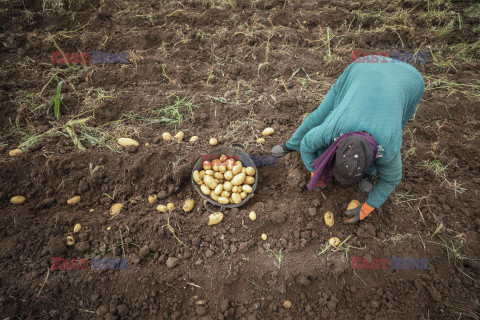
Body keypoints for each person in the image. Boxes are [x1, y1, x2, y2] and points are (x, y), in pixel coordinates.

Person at [271, 55, 425, 223]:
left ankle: (368, 174)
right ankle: (291, 144)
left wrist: (366, 208)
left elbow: (390, 179)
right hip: (363, 68)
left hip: (409, 79)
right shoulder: (332, 129)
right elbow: (307, 144)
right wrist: (314, 171)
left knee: (394, 123)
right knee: (319, 115)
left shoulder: (388, 150)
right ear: (337, 145)